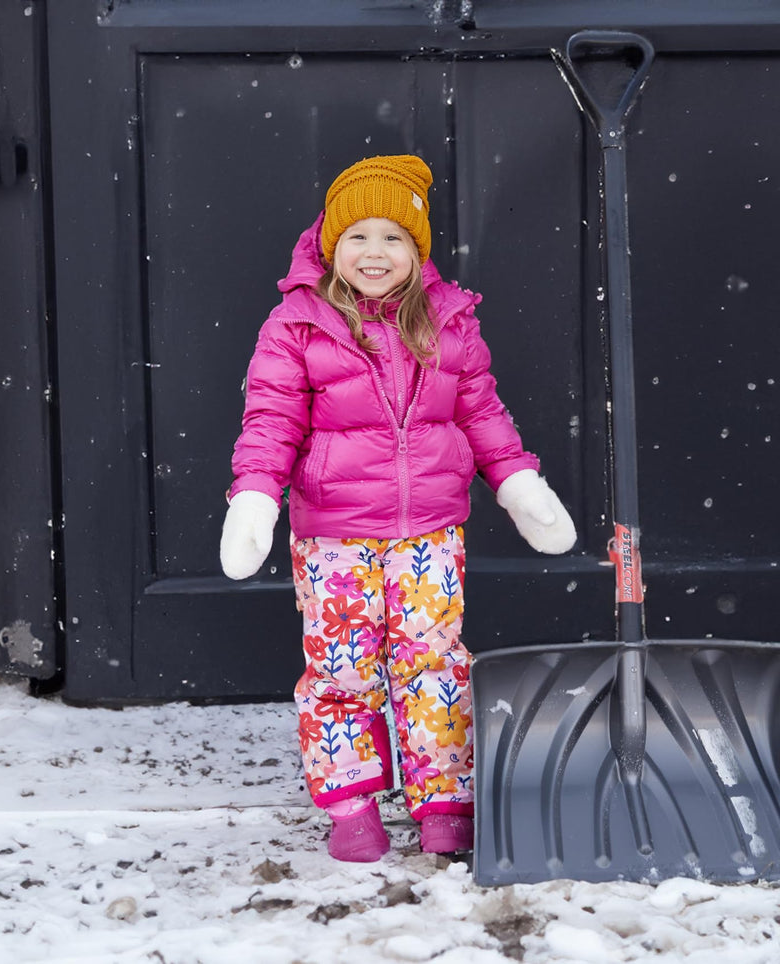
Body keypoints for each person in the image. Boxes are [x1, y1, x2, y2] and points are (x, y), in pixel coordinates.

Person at [219, 154, 576, 862]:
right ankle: (351, 803)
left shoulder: (449, 322)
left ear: (418, 251)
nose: (374, 253)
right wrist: (254, 497)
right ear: (330, 245)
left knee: (432, 665)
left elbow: (482, 414)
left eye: (393, 238)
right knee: (342, 670)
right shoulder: (297, 325)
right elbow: (270, 421)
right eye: (358, 236)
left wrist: (518, 483)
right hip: (335, 537)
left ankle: (442, 800)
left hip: (431, 534)